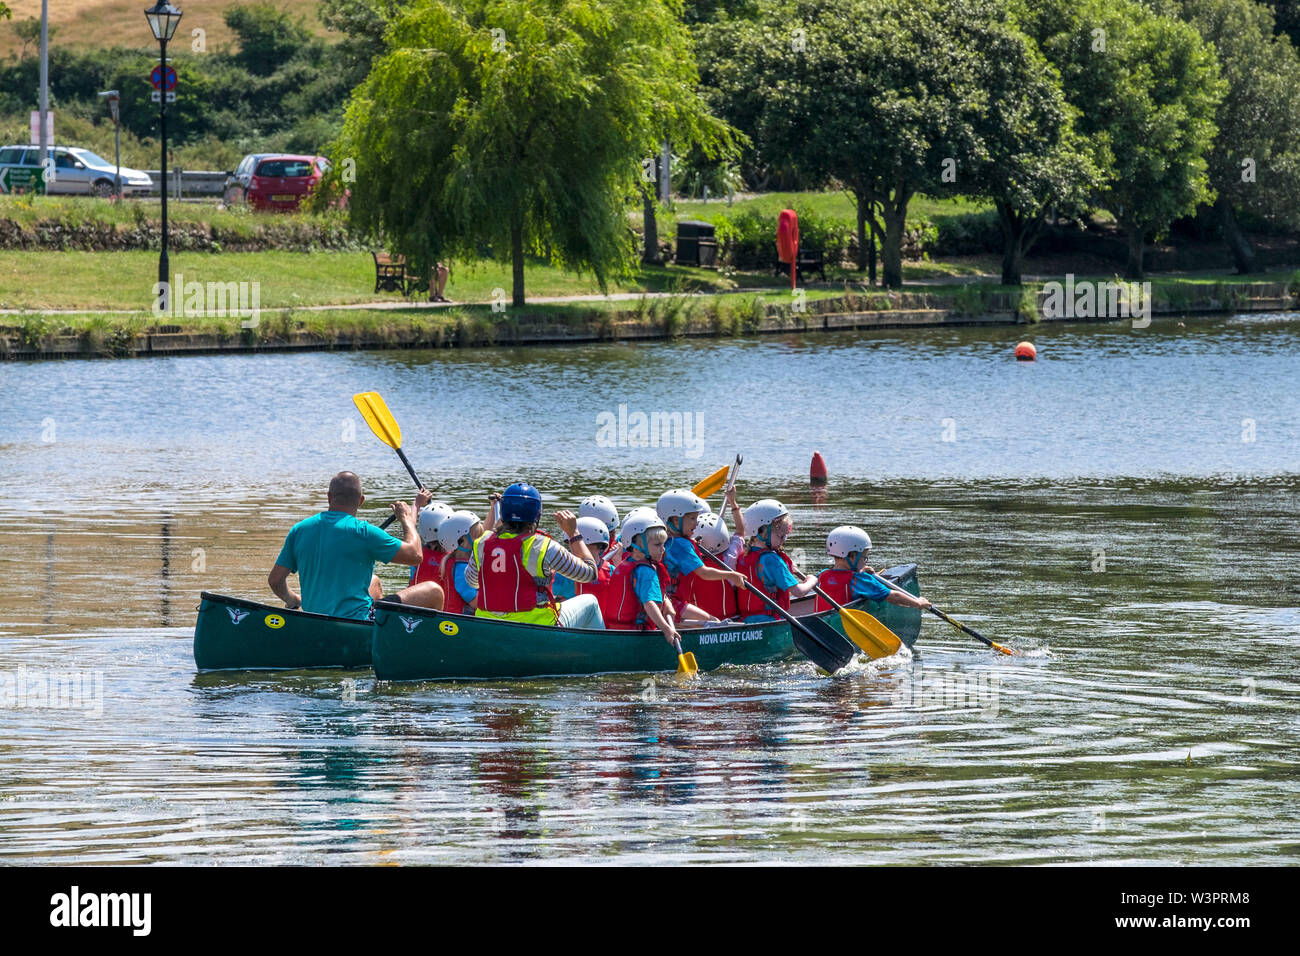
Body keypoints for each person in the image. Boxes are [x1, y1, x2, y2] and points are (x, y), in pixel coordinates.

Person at [267, 471, 443, 619]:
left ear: (329, 497)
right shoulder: (364, 532)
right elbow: (415, 555)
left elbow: (275, 581)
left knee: (374, 581)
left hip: (315, 620)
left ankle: (378, 632)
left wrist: (294, 600)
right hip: (355, 622)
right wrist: (406, 520)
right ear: (361, 501)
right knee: (434, 590)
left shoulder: (300, 530)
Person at [465, 482, 604, 629]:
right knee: (591, 602)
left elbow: (472, 582)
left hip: (489, 625)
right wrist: (574, 534)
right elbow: (590, 574)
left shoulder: (482, 542)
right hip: (537, 627)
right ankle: (600, 650)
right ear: (536, 514)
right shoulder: (544, 546)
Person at [657, 488, 744, 624]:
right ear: (675, 520)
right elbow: (704, 573)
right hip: (675, 603)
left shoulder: (666, 540)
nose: (696, 523)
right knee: (715, 622)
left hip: (664, 600)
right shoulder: (682, 545)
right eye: (692, 518)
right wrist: (731, 575)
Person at [600, 508, 680, 646]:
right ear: (636, 547)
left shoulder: (628, 563)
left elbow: (645, 593)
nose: (663, 549)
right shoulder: (646, 571)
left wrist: (666, 601)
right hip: (637, 635)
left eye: (663, 544)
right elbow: (649, 603)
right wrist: (667, 630)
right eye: (657, 545)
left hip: (615, 631)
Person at [735, 498, 819, 623]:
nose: (784, 539)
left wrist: (789, 569)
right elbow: (799, 592)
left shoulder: (743, 555)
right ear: (762, 533)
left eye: (786, 534)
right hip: (769, 620)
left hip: (746, 619)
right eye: (780, 535)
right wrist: (812, 581)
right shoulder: (772, 560)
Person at [816, 526, 932, 612]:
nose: (865, 561)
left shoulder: (821, 575)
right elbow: (894, 596)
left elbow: (837, 578)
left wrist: (860, 571)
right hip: (845, 628)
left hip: (823, 626)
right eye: (864, 557)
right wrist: (918, 603)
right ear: (852, 556)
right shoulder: (859, 580)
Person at [685, 485, 748, 619]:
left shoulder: (690, 561)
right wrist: (733, 502)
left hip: (699, 622)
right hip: (732, 618)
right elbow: (740, 531)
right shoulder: (730, 557)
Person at [438, 509, 484, 614]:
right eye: (478, 537)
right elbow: (475, 603)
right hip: (459, 621)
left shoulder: (453, 561)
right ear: (462, 542)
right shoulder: (462, 569)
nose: (481, 541)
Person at [411, 500, 454, 586]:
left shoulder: (416, 553)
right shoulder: (456, 556)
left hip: (414, 598)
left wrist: (416, 504)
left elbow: (410, 527)